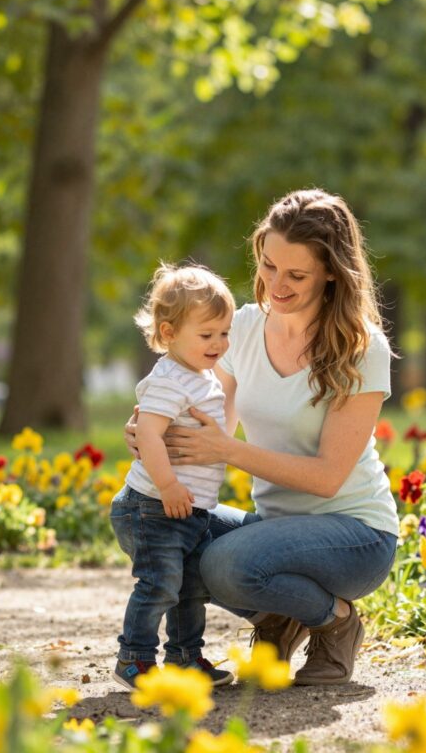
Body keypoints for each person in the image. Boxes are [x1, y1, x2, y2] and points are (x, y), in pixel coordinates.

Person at [124, 189, 398, 686]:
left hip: (355, 535)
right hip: (275, 527)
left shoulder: (362, 347)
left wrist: (226, 450)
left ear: (332, 272)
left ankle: (336, 621)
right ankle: (280, 615)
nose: (276, 284)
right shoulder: (243, 328)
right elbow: (212, 427)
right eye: (269, 266)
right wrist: (156, 433)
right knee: (144, 520)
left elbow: (328, 478)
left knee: (226, 564)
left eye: (296, 275)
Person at [111, 263, 236, 689]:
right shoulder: (169, 378)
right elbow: (147, 432)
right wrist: (167, 485)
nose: (219, 343)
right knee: (161, 584)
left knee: (189, 588)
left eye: (224, 333)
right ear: (168, 333)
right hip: (153, 506)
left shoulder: (199, 377)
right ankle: (134, 658)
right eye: (207, 335)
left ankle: (185, 657)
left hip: (188, 508)